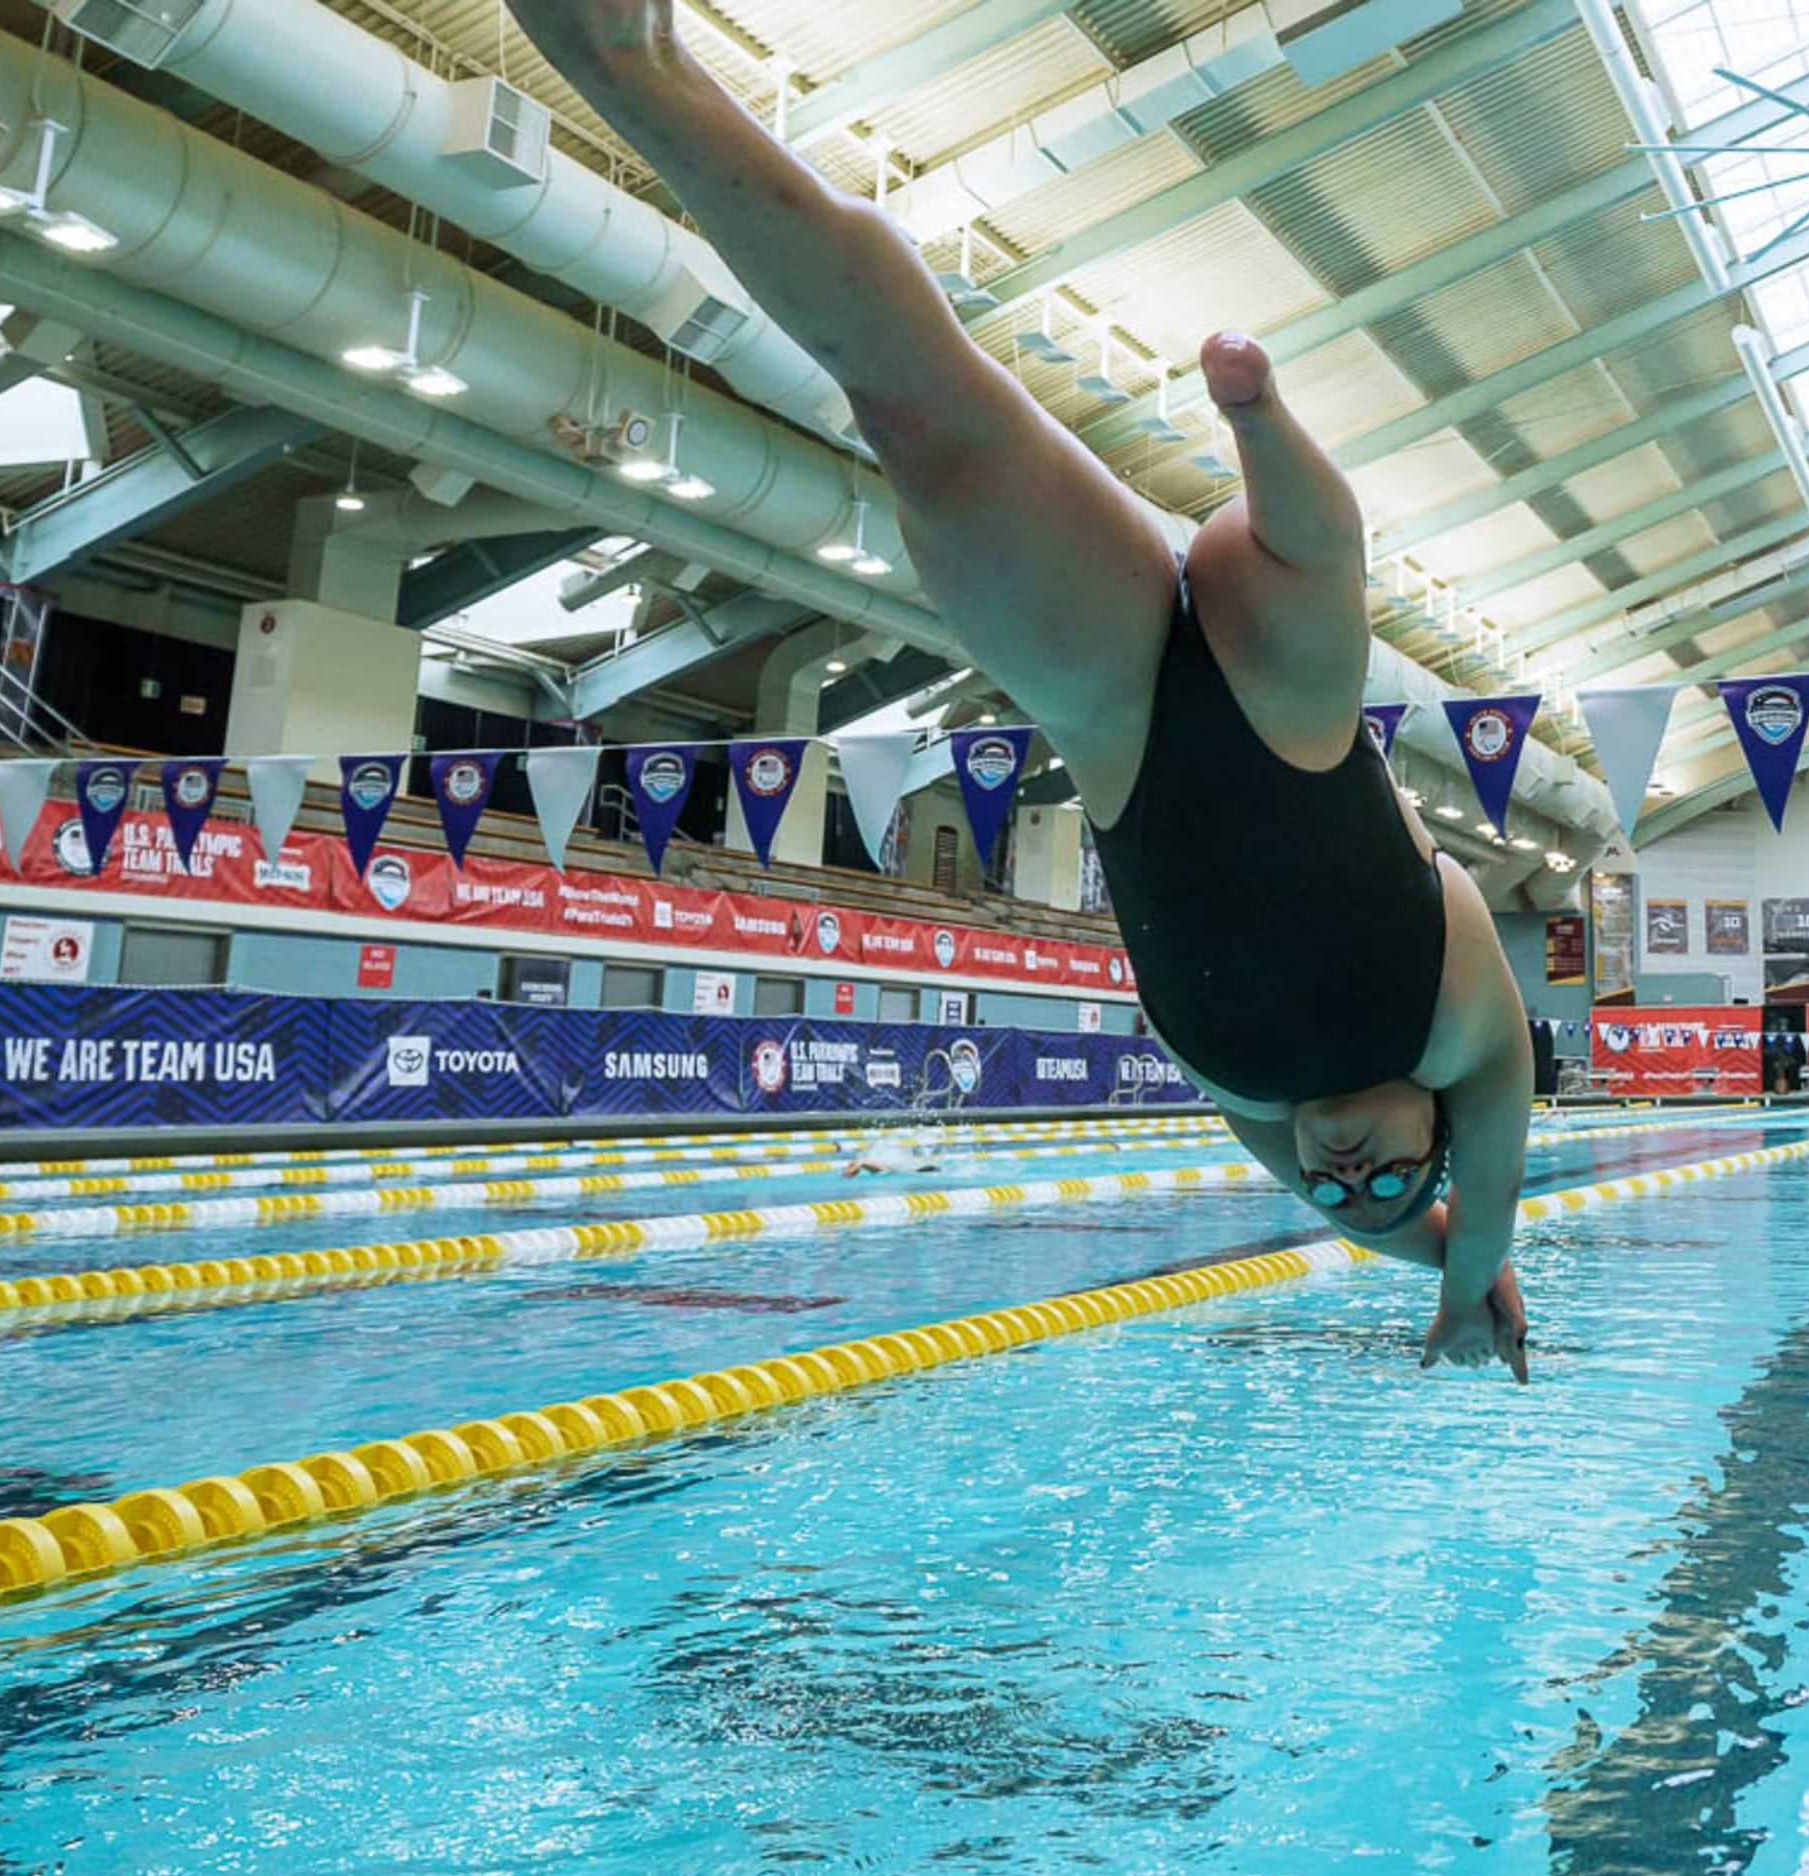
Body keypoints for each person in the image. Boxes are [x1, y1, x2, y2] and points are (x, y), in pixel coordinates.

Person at [510, 0, 1531, 1381]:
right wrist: (1466, 1290)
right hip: (1292, 700)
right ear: (1438, 1135)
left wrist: (1402, 1248)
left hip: (1111, 706)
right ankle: (1259, 421)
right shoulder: (1470, 1039)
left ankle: (626, 61)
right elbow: (1491, 1212)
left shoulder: (1244, 1095)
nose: (1350, 1178)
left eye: (1339, 1197)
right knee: (1305, 573)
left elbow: (1382, 1219)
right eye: (1394, 1176)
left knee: (917, 407)